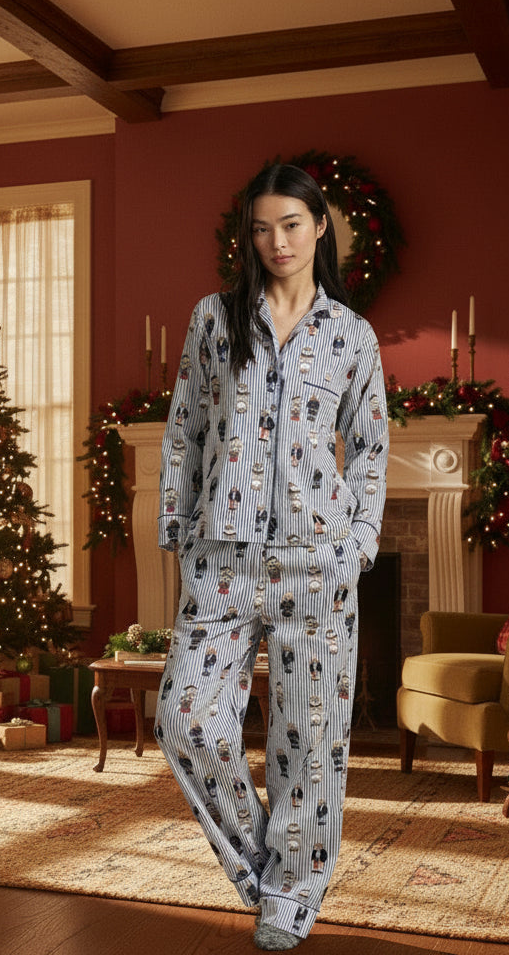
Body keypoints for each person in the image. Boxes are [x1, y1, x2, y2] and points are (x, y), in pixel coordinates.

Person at [153, 163, 389, 950]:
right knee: (185, 720)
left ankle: (293, 895)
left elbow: (371, 451)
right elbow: (185, 427)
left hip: (315, 562)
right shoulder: (215, 319)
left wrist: (356, 545)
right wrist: (178, 532)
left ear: (320, 227)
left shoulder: (352, 335)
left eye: (291, 224)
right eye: (261, 227)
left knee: (310, 743)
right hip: (220, 560)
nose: (276, 241)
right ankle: (267, 874)